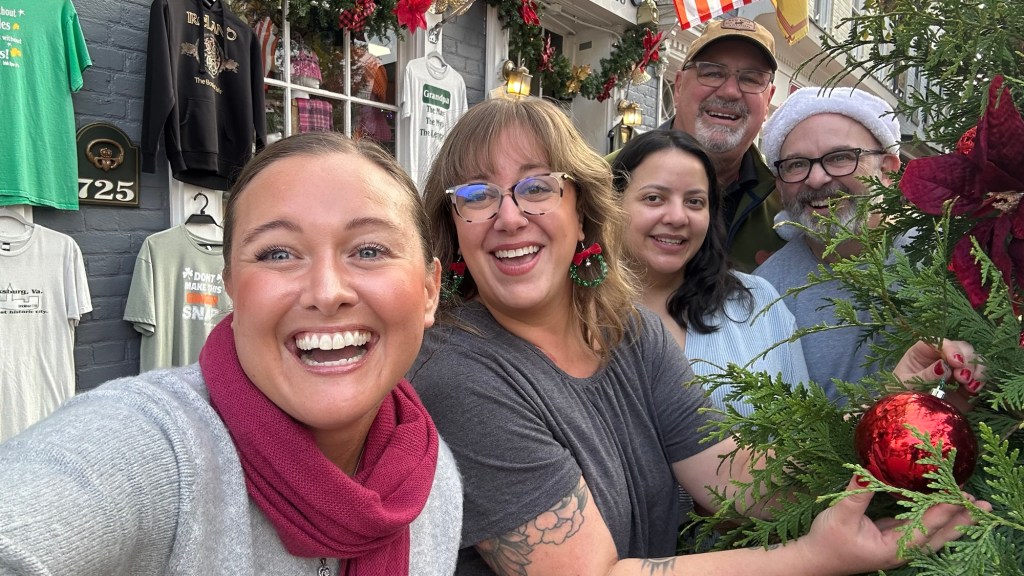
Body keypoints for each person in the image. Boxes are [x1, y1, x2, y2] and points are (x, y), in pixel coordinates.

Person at [410, 96, 987, 576]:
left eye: (537, 187)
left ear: (583, 208)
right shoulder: (456, 372)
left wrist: (897, 414)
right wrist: (812, 557)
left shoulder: (627, 332)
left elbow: (743, 479)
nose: (509, 216)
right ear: (452, 227)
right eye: (475, 195)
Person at [0, 132, 462, 575]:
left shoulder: (434, 476)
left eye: (369, 250)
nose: (326, 292)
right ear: (233, 292)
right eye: (277, 254)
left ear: (428, 290)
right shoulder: (160, 448)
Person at [752, 87, 989, 401]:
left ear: (888, 170)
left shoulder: (953, 257)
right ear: (780, 183)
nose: (817, 178)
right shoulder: (762, 294)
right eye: (796, 164)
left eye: (840, 157)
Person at [611, 128, 807, 416]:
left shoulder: (757, 304)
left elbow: (805, 429)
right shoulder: (576, 311)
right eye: (654, 198)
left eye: (694, 201)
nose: (677, 217)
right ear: (612, 203)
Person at [664, 16, 788, 272]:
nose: (730, 91)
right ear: (678, 87)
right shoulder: (607, 183)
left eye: (752, 79)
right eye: (711, 72)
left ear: (768, 101)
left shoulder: (788, 211)